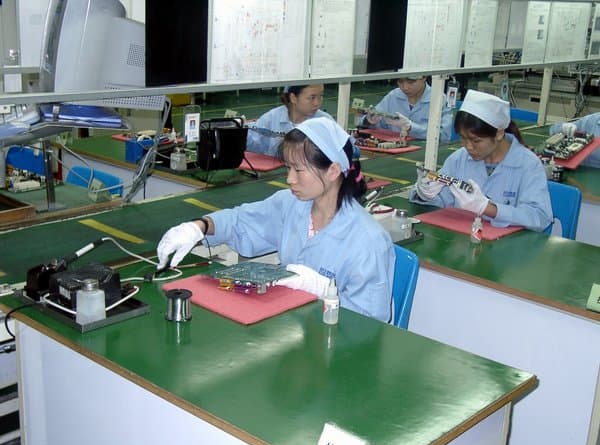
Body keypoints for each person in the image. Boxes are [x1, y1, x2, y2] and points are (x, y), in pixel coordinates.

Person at [157, 117, 396, 323]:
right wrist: (199, 227)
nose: (290, 179)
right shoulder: (291, 205)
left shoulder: (368, 241)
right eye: (288, 168)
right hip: (292, 327)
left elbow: (371, 322)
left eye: (298, 170)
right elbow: (242, 221)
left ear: (333, 171)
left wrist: (327, 292)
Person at [409, 89, 552, 232]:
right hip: (462, 241)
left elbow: (540, 217)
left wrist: (489, 208)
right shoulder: (459, 158)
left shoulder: (528, 164)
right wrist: (425, 194)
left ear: (499, 133)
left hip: (507, 244)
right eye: (463, 138)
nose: (468, 147)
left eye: (476, 140)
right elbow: (443, 201)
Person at [246, 84, 333, 157]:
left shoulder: (325, 122)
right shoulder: (272, 118)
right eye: (312, 97)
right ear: (293, 98)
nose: (317, 103)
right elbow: (254, 143)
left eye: (321, 96)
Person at [361, 76, 454, 143]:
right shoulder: (393, 96)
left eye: (411, 82)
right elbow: (370, 124)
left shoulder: (439, 99)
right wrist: (369, 121)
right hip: (393, 150)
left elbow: (444, 135)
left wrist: (411, 127)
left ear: (424, 77)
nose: (405, 87)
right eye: (400, 81)